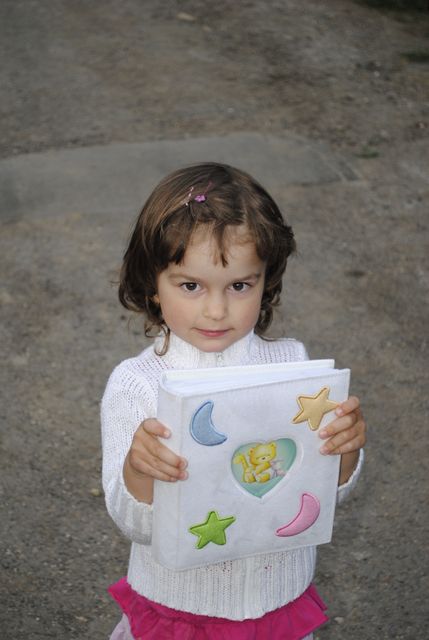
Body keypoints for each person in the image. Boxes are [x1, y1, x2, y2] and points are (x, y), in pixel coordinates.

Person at [101, 162, 366, 640]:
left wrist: (345, 452)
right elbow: (134, 524)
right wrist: (140, 470)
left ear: (266, 280)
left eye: (240, 285)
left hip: (279, 604)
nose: (217, 310)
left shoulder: (293, 368)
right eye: (191, 285)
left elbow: (323, 496)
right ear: (153, 285)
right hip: (180, 610)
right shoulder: (137, 385)